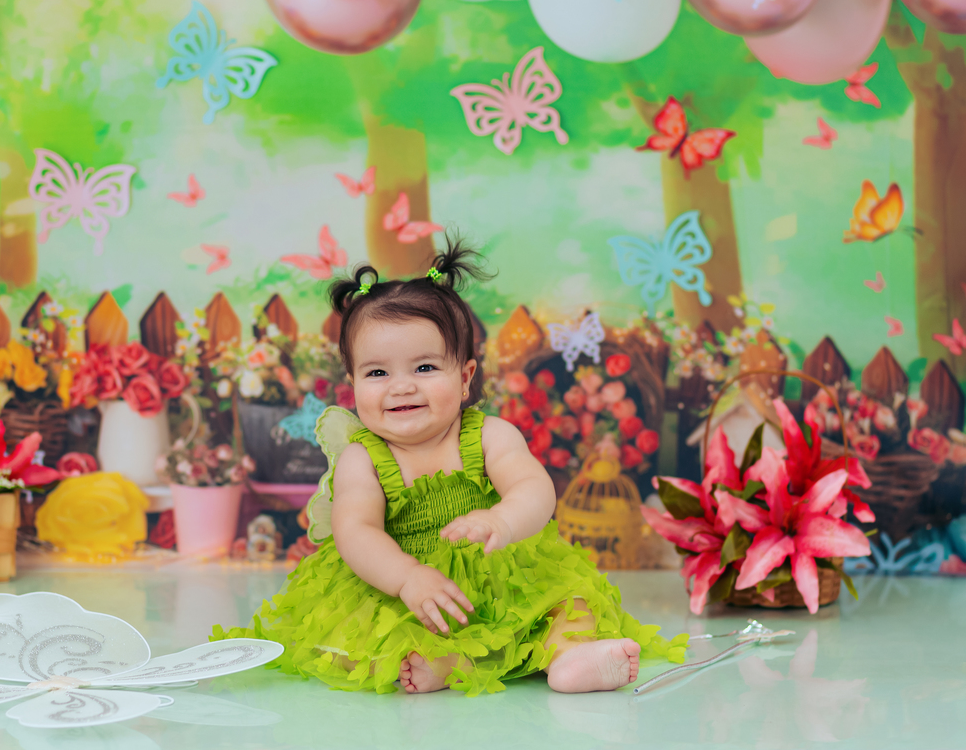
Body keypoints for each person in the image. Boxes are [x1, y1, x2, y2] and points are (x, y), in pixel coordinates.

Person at [213, 240, 686, 695]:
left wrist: (502, 519)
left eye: (424, 368)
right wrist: (405, 578)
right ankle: (447, 661)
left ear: (464, 378)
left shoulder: (489, 436)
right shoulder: (363, 458)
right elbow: (355, 530)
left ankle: (571, 655)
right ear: (352, 383)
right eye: (377, 372)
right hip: (402, 584)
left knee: (565, 601)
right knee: (359, 637)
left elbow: (534, 487)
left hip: (501, 580)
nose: (401, 386)